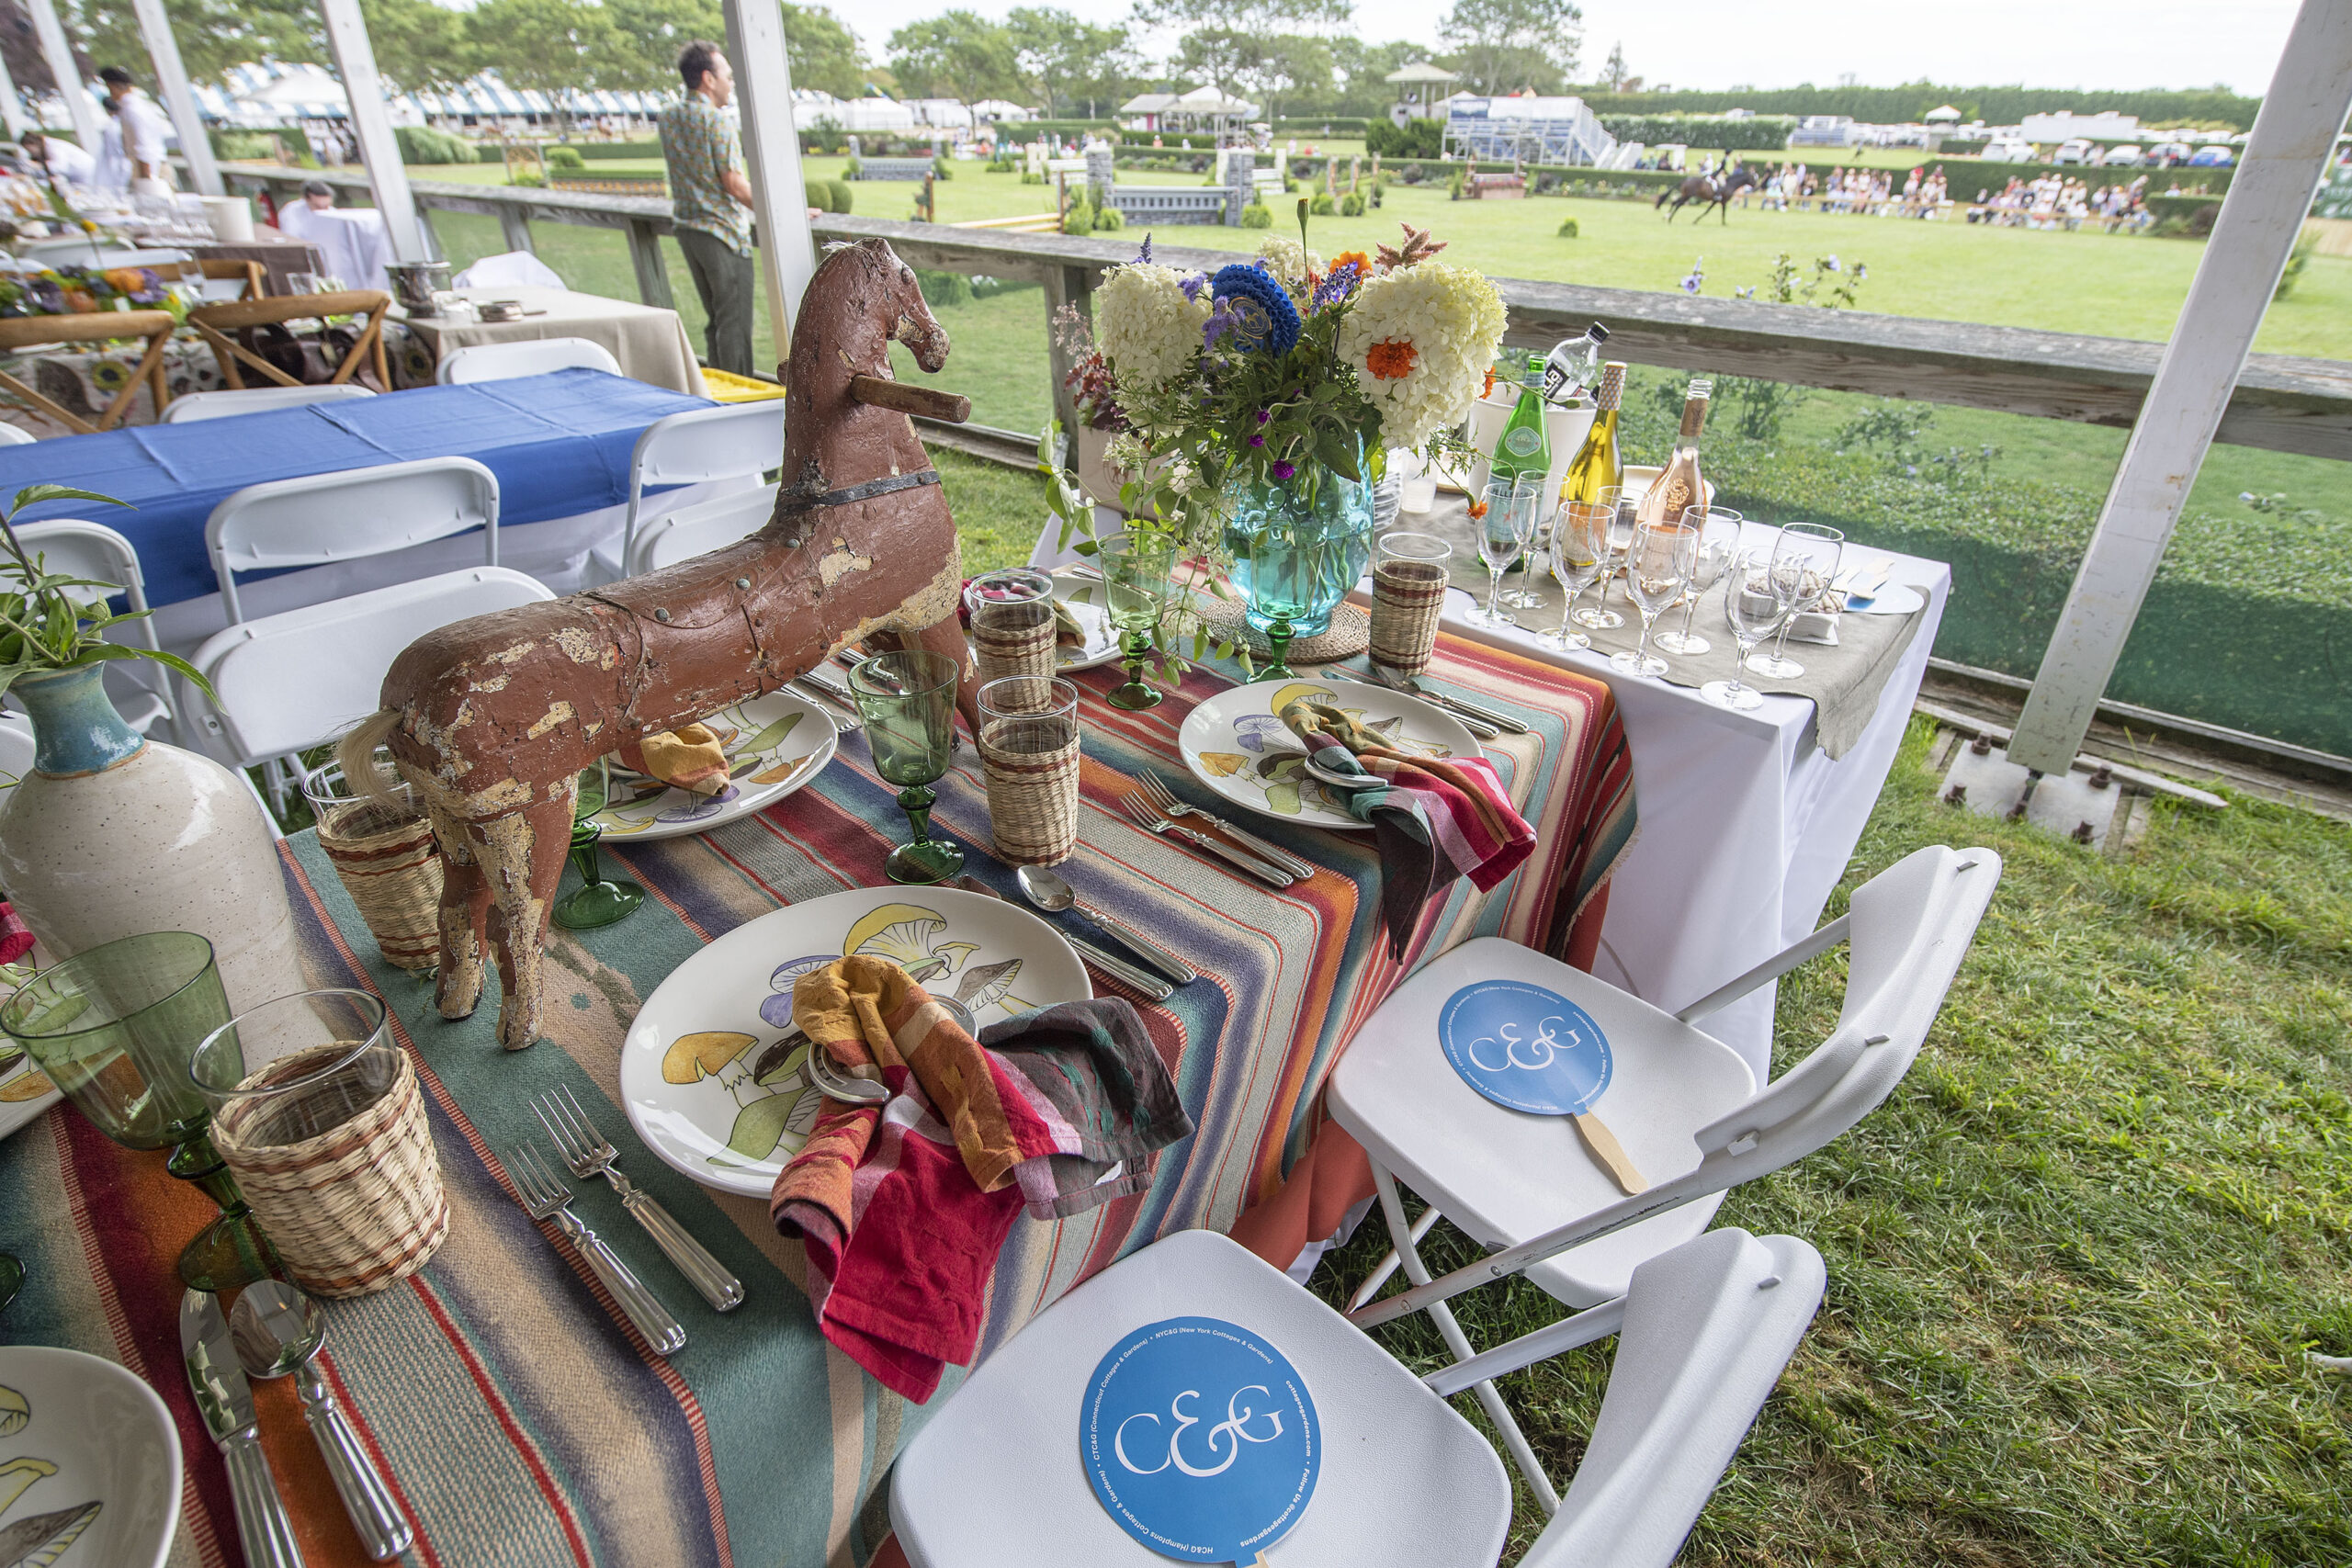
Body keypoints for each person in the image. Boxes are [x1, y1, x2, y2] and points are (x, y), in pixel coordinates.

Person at [660, 39, 757, 378]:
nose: (731, 83)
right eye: (727, 76)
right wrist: (780, 212)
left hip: (689, 232)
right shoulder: (716, 121)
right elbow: (734, 184)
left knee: (715, 320)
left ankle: (715, 395)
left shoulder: (668, 117)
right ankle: (738, 404)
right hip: (723, 236)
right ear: (708, 79)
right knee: (735, 324)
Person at [98, 67, 175, 197]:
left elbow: (143, 146)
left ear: (113, 86)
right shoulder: (141, 106)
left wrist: (146, 179)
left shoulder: (131, 110)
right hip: (153, 166)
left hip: (149, 170)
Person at [20, 129, 94, 187]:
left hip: (86, 173)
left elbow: (61, 167)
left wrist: (40, 165)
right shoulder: (48, 146)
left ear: (32, 144)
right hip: (80, 175)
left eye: (29, 149)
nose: (31, 152)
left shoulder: (53, 147)